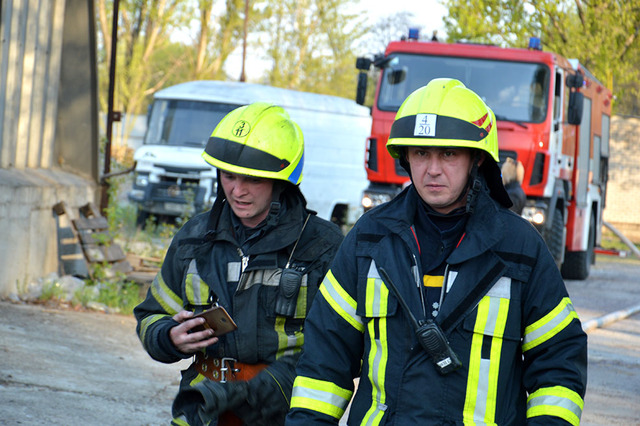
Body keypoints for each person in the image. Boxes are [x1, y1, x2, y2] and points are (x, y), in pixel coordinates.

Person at [286, 79, 587, 425]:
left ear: (476, 159)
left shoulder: (520, 249)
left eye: (448, 154)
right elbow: (324, 360)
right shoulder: (369, 239)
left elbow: (559, 365)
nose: (432, 169)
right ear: (405, 158)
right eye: (421, 153)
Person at [134, 102, 344, 426]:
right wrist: (169, 336)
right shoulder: (194, 238)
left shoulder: (322, 246)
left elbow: (335, 351)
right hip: (202, 411)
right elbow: (151, 315)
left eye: (252, 179)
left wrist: (252, 392)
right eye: (228, 176)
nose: (237, 190)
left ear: (281, 182)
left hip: (280, 413)